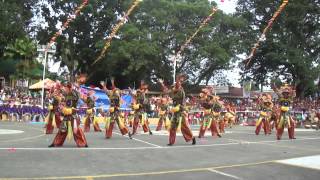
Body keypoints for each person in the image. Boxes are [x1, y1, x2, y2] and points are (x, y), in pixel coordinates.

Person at [158, 74, 196, 146]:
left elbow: (178, 85)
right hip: (175, 112)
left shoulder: (181, 91)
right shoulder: (173, 91)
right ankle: (171, 142)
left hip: (181, 111)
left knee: (184, 127)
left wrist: (178, 79)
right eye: (174, 86)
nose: (174, 87)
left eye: (175, 86)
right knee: (172, 127)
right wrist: (162, 83)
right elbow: (166, 91)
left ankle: (192, 137)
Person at [49, 82, 88, 148]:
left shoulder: (74, 94)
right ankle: (56, 143)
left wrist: (75, 88)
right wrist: (58, 88)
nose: (65, 89)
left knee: (76, 130)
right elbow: (60, 92)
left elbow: (78, 95)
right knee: (62, 129)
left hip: (73, 115)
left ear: (69, 88)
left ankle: (83, 143)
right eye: (65, 88)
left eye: (66, 88)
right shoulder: (66, 95)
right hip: (66, 115)